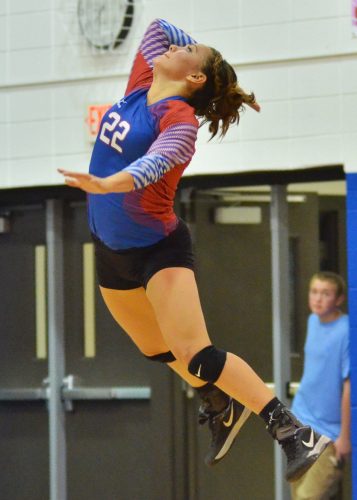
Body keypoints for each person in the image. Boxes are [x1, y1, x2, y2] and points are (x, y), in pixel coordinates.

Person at [58, 18, 331, 480]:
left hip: (158, 249)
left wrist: (108, 183)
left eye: (191, 51)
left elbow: (154, 162)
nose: (173, 47)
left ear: (194, 78)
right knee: (154, 348)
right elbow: (157, 28)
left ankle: (292, 430)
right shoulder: (143, 81)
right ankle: (220, 403)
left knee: (196, 353)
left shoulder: (179, 120)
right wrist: (204, 57)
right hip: (111, 250)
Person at [290, 272, 351, 499]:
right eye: (314, 292)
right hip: (301, 424)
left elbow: (349, 387)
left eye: (326, 294)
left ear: (339, 299)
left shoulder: (346, 331)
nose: (318, 299)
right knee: (297, 494)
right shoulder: (312, 321)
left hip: (329, 434)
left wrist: (345, 435)